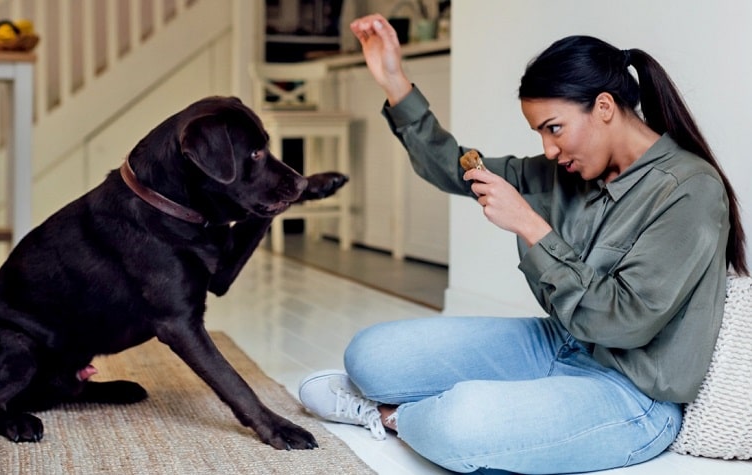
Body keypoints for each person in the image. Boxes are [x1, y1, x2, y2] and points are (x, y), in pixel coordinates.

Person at [297, 13, 749, 475]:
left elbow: (626, 323)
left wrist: (533, 227)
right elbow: (456, 167)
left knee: (460, 423)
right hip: (559, 343)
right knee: (371, 355)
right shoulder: (564, 173)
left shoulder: (689, 189)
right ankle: (464, 411)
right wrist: (394, 81)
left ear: (604, 107)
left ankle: (391, 415)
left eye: (554, 128)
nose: (549, 149)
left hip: (633, 393)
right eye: (540, 133)